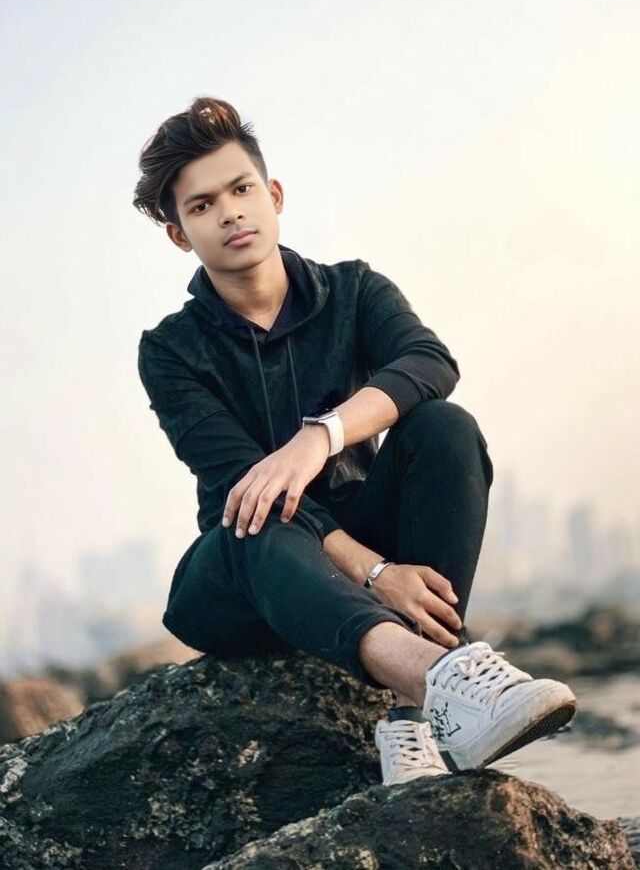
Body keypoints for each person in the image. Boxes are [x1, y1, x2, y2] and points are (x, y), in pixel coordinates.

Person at [133, 96, 577, 786]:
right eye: (202, 205)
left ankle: (410, 725)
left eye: (242, 189)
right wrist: (376, 574)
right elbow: (245, 483)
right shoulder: (170, 350)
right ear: (179, 234)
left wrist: (322, 436)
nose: (230, 213)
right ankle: (443, 680)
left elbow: (429, 362)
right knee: (254, 510)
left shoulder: (353, 290)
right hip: (250, 575)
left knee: (444, 427)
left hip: (356, 529)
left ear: (274, 195)